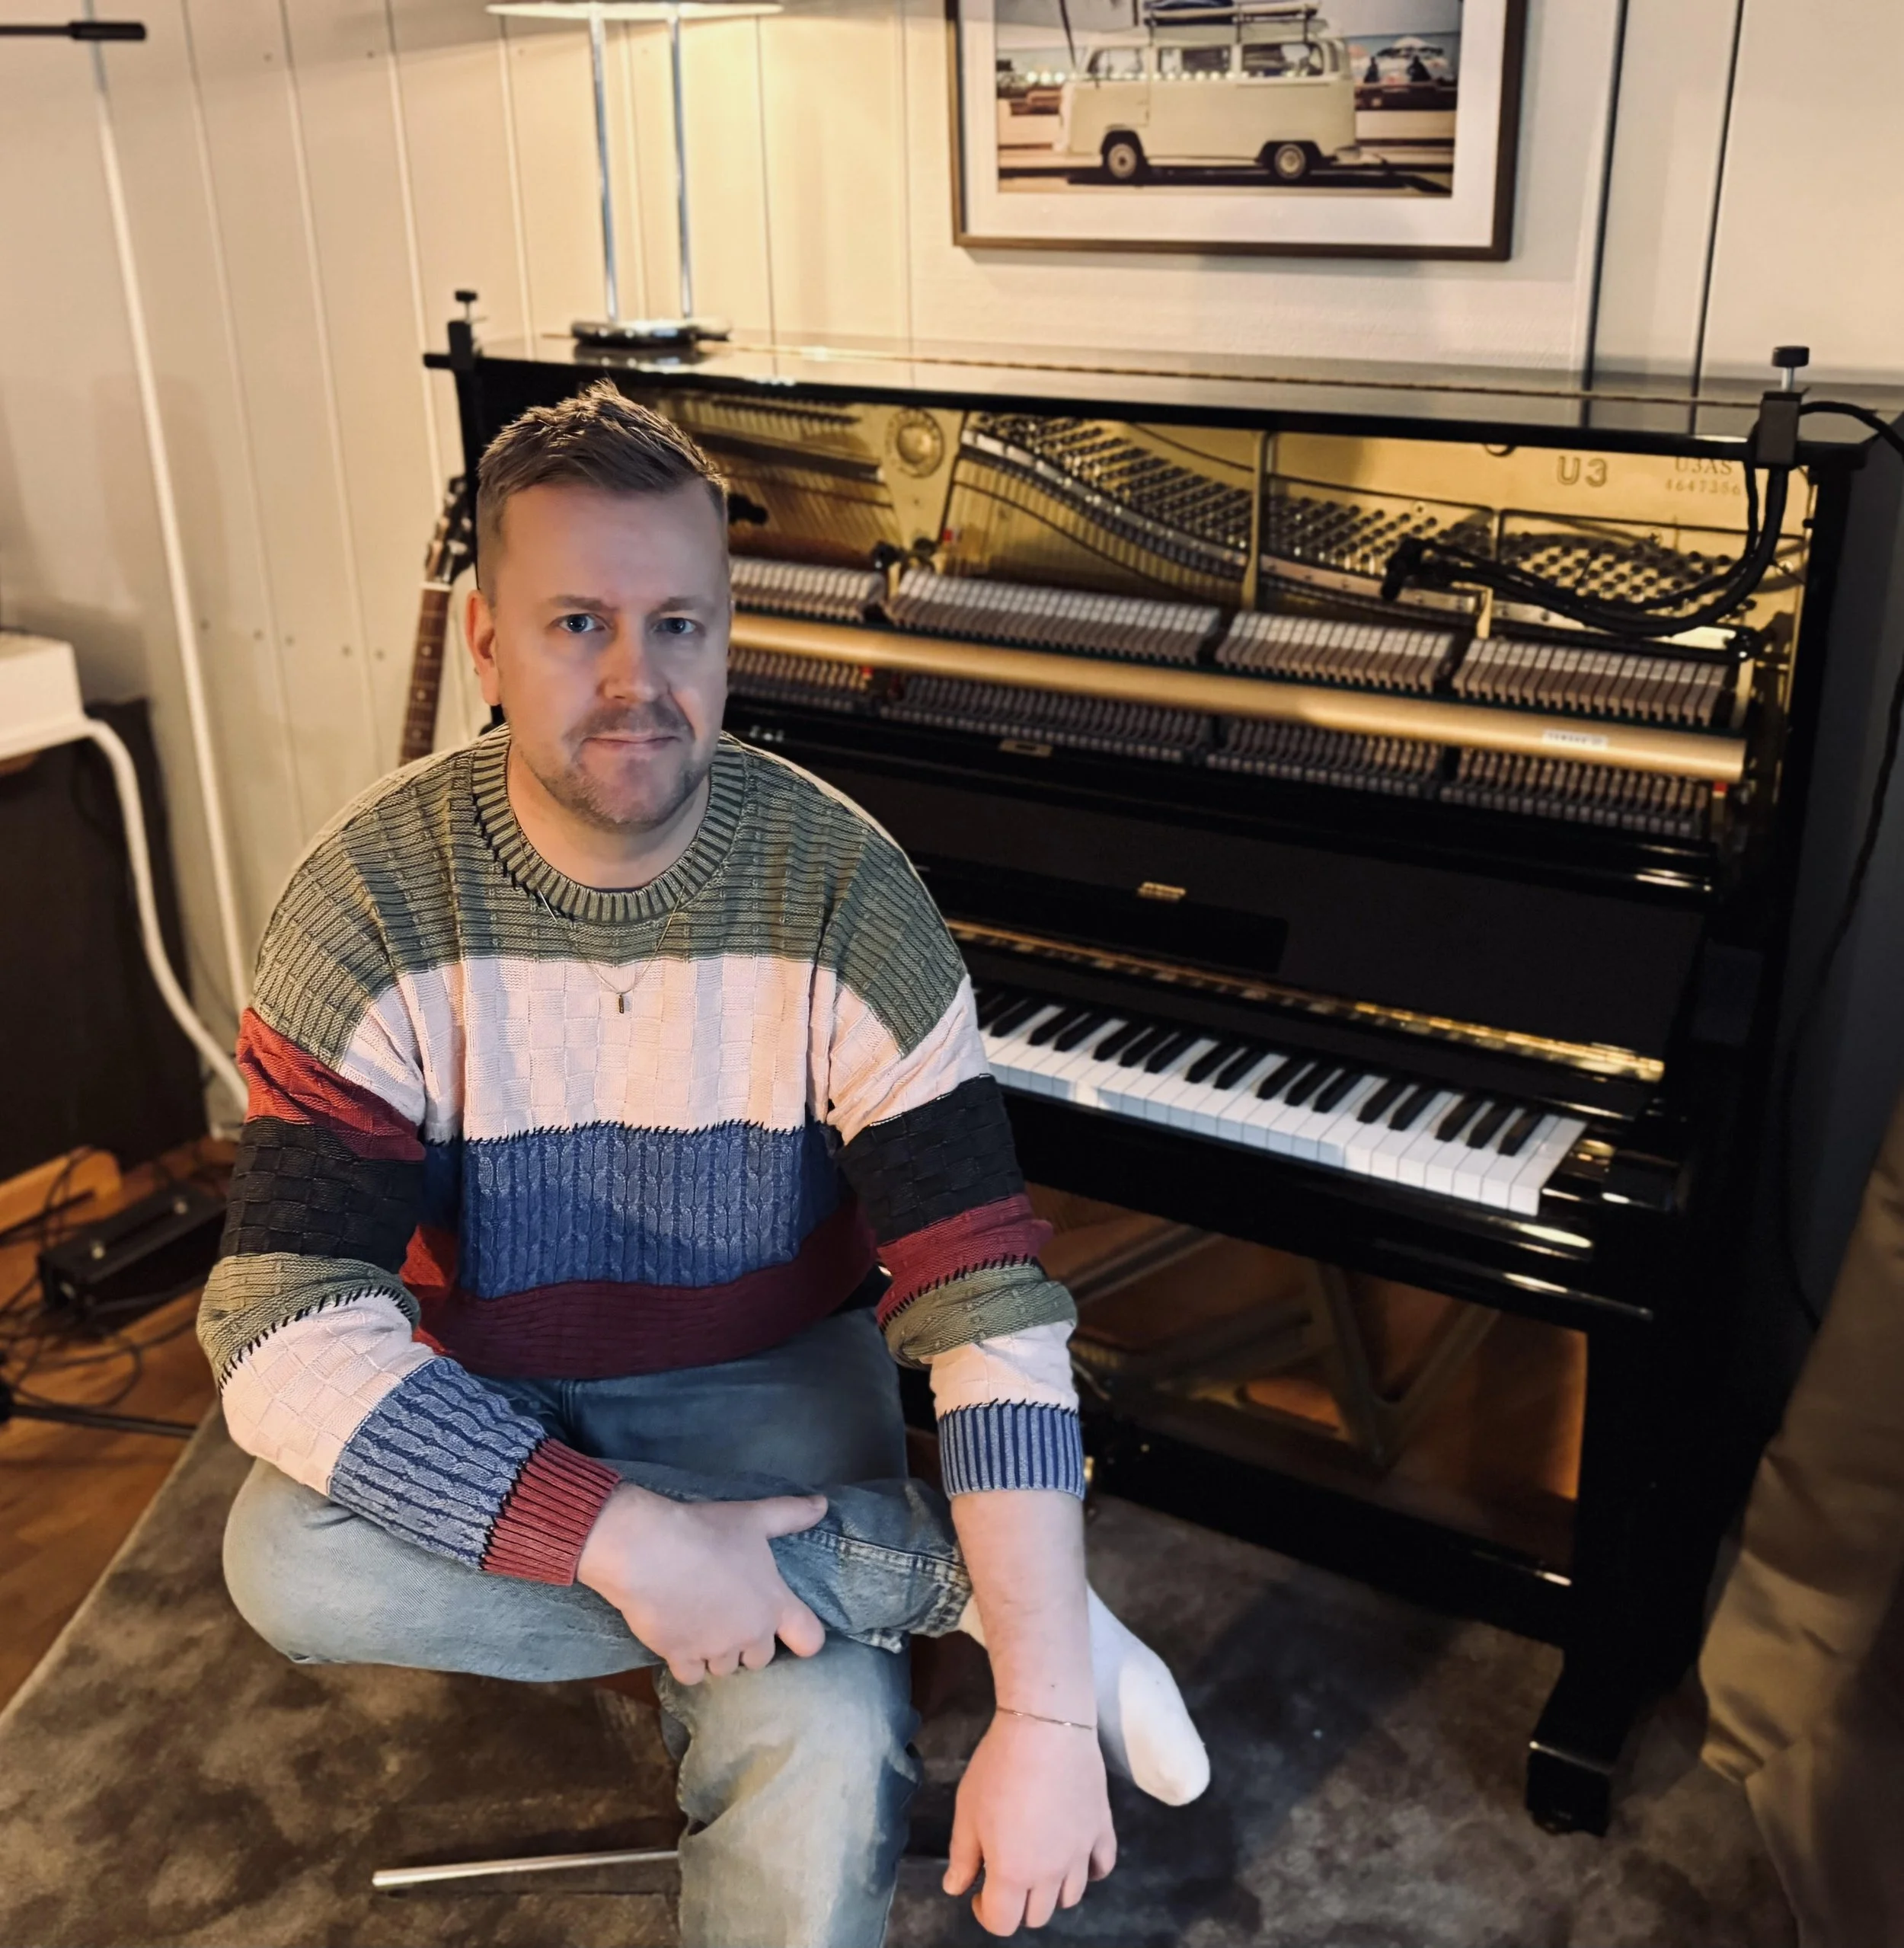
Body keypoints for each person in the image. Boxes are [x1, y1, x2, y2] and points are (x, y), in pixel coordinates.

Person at [203, 378, 1206, 1946]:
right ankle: (943, 1583)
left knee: (824, 1738)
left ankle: (878, 1612)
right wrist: (636, 1541)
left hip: (762, 1367)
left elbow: (988, 1303)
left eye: (679, 624)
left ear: (730, 636)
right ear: (485, 642)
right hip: (482, 1368)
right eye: (577, 624)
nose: (636, 679)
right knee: (287, 1558)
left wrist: (1047, 1723)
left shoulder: (848, 889)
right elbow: (279, 1326)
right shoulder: (368, 899)